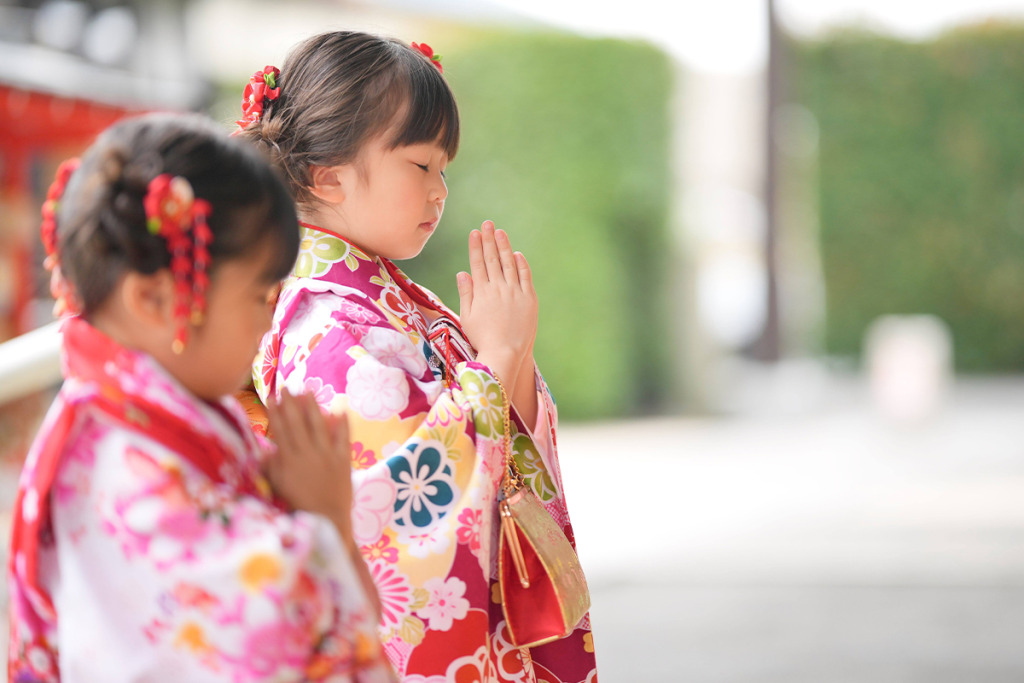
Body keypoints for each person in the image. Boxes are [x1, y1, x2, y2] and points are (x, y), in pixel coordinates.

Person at [237, 31, 598, 683]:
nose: (440, 190)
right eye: (421, 165)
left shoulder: (380, 296)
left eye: (443, 169)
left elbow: (490, 441)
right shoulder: (327, 323)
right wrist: (499, 354)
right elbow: (400, 509)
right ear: (330, 176)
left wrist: (506, 360)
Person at [7, 113, 396, 682]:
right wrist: (324, 521)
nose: (270, 320)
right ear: (154, 297)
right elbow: (255, 623)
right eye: (261, 294)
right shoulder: (116, 462)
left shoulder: (137, 421)